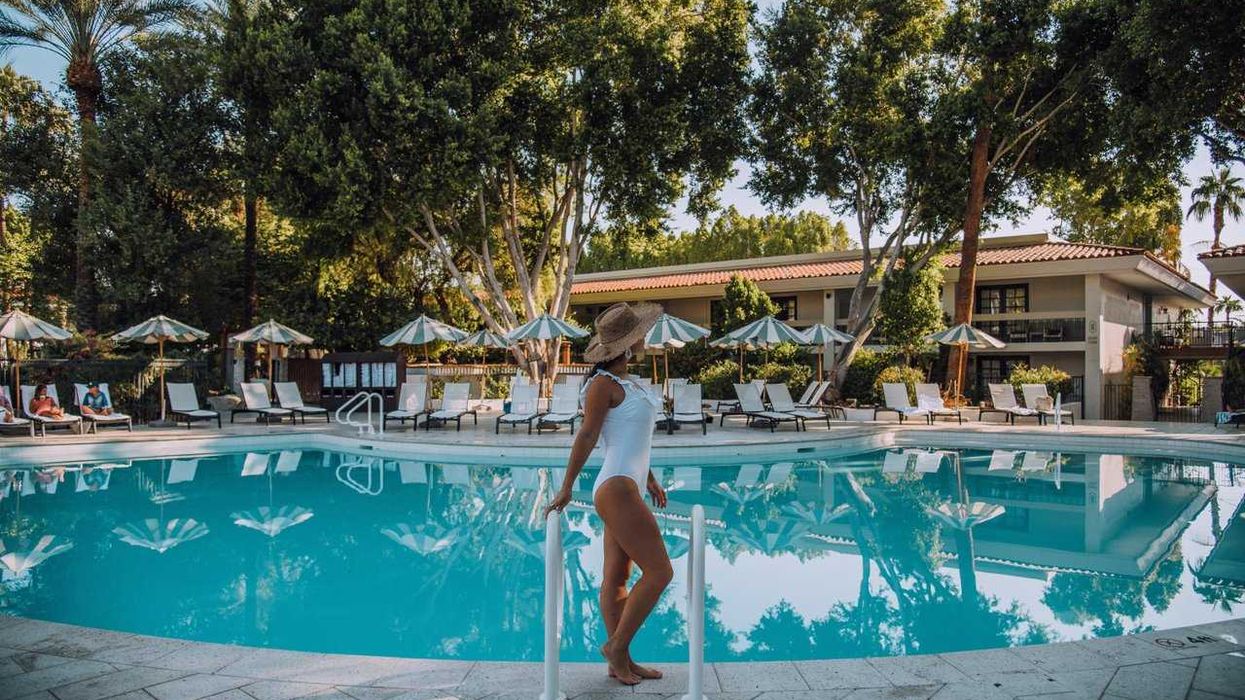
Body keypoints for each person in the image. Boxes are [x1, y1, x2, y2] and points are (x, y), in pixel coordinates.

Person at [544, 302, 670, 686]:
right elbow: (587, 435)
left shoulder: (628, 383)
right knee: (660, 572)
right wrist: (566, 487)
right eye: (639, 336)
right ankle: (617, 646)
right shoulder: (601, 386)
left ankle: (622, 662)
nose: (644, 340)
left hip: (627, 482)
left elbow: (632, 437)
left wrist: (648, 477)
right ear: (627, 345)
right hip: (615, 486)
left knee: (618, 575)